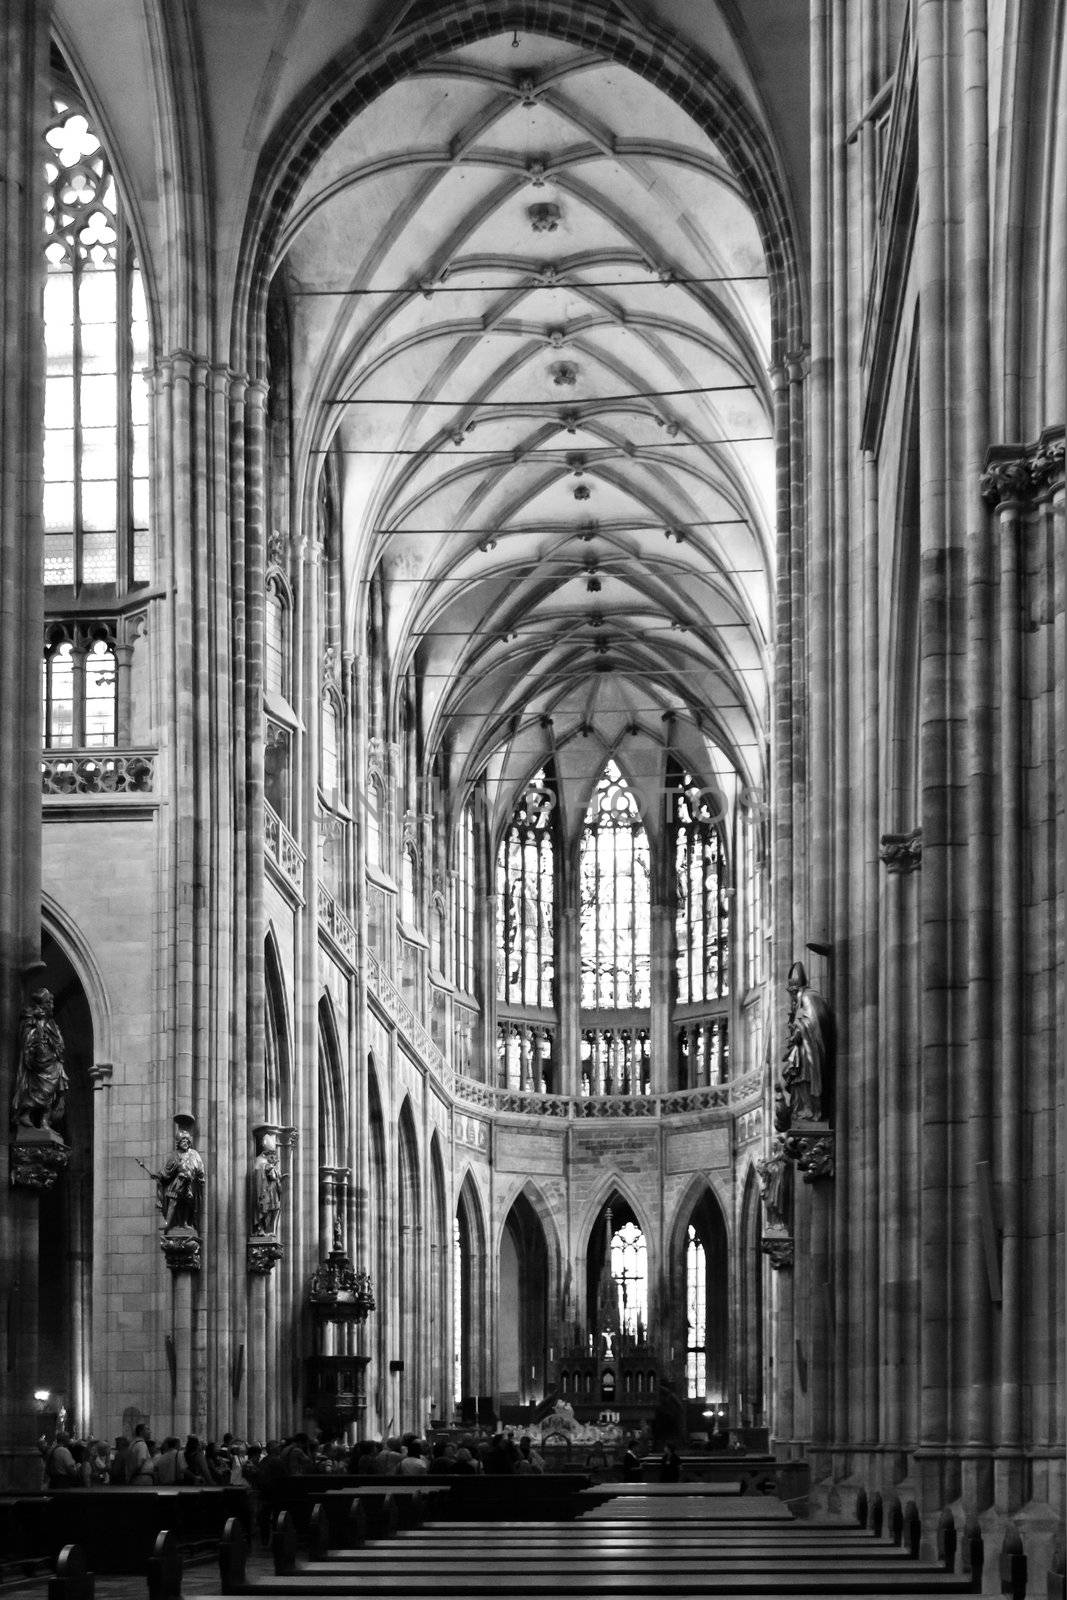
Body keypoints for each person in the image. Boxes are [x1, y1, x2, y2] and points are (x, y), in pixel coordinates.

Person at [780, 962, 831, 1123]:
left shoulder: (809, 997)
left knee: (803, 1078)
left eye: (793, 993)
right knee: (796, 1078)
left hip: (808, 1053)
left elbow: (816, 1022)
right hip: (800, 1052)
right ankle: (800, 1110)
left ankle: (808, 1110)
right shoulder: (801, 1001)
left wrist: (799, 1030)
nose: (792, 997)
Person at [13, 988, 68, 1132]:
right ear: (42, 1004)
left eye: (52, 1002)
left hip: (53, 1062)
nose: (52, 1005)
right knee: (39, 1089)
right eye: (49, 1002)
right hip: (39, 1063)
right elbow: (26, 1036)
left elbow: (58, 1041)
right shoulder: (30, 1017)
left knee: (52, 1093)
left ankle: (45, 1120)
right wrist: (37, 1040)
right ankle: (25, 1114)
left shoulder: (52, 1023)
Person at [155, 1130, 205, 1233]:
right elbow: (166, 1171)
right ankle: (168, 1223)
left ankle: (185, 1223)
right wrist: (159, 1175)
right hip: (178, 1183)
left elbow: (200, 1169)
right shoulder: (175, 1155)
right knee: (174, 1201)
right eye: (183, 1141)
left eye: (187, 1140)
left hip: (190, 1184)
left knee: (188, 1203)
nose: (185, 1142)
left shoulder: (194, 1154)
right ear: (178, 1142)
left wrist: (200, 1178)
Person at [251, 1135, 284, 1236]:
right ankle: (261, 1229)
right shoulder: (260, 1161)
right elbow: (260, 1174)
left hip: (272, 1192)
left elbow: (275, 1177)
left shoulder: (269, 1164)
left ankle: (269, 1230)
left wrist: (278, 1176)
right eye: (272, 1155)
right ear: (266, 1154)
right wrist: (270, 1169)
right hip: (264, 1192)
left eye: (274, 1155)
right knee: (264, 1210)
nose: (274, 1158)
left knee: (274, 1209)